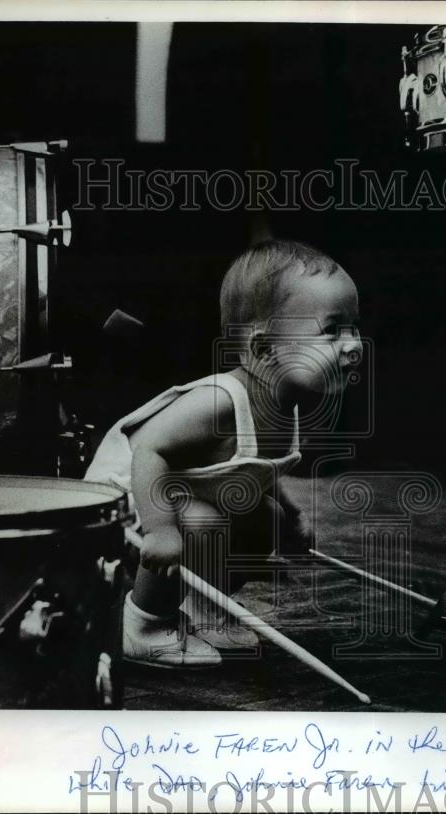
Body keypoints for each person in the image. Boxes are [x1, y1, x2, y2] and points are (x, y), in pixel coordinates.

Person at [85, 240, 363, 668]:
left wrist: (290, 516)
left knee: (265, 516)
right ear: (263, 349)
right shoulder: (218, 401)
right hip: (123, 511)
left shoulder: (284, 407)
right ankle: (142, 623)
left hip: (177, 501)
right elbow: (147, 451)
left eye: (354, 328)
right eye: (331, 331)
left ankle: (203, 611)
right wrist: (160, 531)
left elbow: (250, 472)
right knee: (204, 520)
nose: (353, 346)